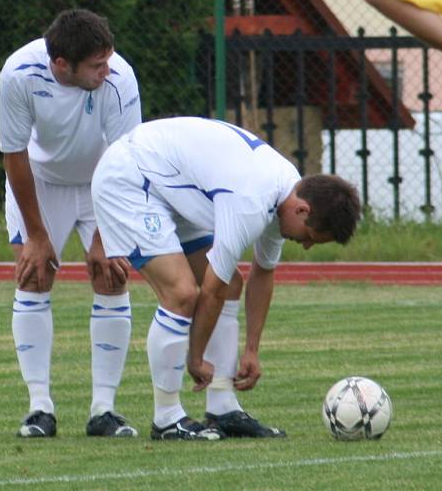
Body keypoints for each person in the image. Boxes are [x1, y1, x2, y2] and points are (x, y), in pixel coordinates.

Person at [91, 117, 360, 441]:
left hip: (171, 184)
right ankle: (166, 418)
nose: (305, 245)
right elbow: (211, 292)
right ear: (302, 211)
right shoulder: (250, 203)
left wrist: (252, 351)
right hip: (130, 176)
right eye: (311, 237)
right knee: (182, 293)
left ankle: (222, 407)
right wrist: (195, 357)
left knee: (233, 282)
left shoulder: (288, 190)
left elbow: (263, 272)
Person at [0, 9, 142, 438]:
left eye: (107, 61)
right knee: (33, 276)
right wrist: (37, 236)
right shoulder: (18, 74)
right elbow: (14, 154)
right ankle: (39, 408)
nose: (106, 70)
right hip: (40, 183)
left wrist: (104, 237)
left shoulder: (120, 78)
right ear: (61, 64)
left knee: (112, 276)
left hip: (106, 183)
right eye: (95, 65)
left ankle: (104, 410)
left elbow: (126, 160)